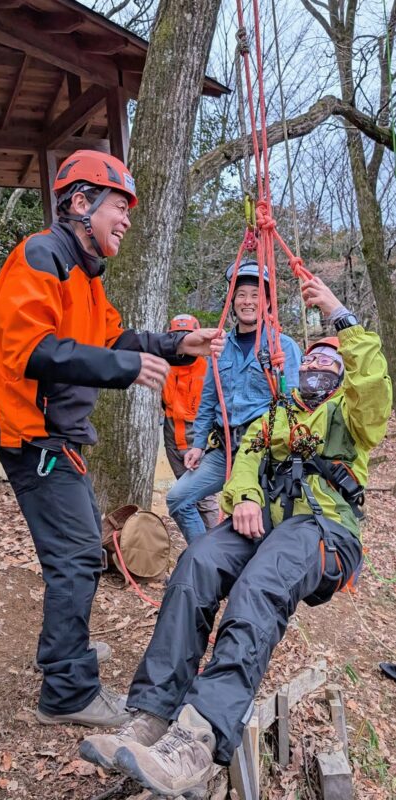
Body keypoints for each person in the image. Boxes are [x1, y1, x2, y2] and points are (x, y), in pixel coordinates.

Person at [80, 276, 392, 799]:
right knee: (197, 564)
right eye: (311, 363)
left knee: (258, 588)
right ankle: (152, 716)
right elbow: (246, 457)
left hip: (323, 531)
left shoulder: (352, 417)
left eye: (328, 366)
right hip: (267, 523)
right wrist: (243, 497)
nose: (316, 370)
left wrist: (340, 317)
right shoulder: (277, 414)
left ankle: (200, 738)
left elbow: (373, 383)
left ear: (342, 378)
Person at [0, 150, 225, 728]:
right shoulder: (42, 257)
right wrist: (125, 369)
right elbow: (31, 352)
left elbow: (117, 337)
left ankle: (67, 653)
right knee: (74, 557)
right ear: (81, 203)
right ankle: (67, 688)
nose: (128, 220)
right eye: (120, 206)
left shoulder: (86, 278)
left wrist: (172, 345)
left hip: (56, 435)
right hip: (31, 435)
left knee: (83, 548)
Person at [167, 260, 301, 544]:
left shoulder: (283, 347)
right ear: (232, 300)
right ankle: (202, 559)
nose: (248, 301)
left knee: (258, 524)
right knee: (178, 498)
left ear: (266, 301)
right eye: (241, 294)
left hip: (263, 455)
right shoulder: (219, 346)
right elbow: (208, 400)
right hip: (224, 450)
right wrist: (198, 444)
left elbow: (294, 407)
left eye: (255, 295)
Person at [162, 314, 219, 531]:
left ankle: (214, 544)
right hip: (172, 436)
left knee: (204, 499)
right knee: (184, 497)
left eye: (187, 336)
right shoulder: (164, 365)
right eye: (177, 336)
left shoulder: (208, 367)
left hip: (198, 436)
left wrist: (203, 443)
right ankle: (197, 546)